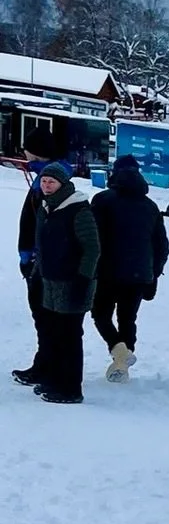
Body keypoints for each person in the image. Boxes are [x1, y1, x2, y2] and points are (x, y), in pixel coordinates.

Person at [20, 163, 100, 403]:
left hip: (73, 281)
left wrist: (83, 279)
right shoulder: (47, 207)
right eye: (44, 181)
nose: (46, 186)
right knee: (54, 332)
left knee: (70, 335)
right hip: (50, 280)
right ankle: (55, 380)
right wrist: (36, 271)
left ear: (63, 184)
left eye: (51, 182)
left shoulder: (78, 210)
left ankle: (71, 388)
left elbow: (92, 248)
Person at [89, 153, 169, 380]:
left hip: (107, 271)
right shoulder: (151, 207)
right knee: (127, 319)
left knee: (101, 315)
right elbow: (161, 245)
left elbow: (93, 238)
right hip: (138, 274)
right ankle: (122, 365)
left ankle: (119, 350)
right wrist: (153, 273)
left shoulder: (102, 200)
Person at [11, 153, 51, 385]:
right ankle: (44, 364)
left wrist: (29, 257)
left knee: (45, 317)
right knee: (43, 318)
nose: (46, 185)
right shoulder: (42, 179)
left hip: (42, 263)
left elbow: (33, 225)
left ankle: (47, 368)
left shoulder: (48, 184)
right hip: (38, 261)